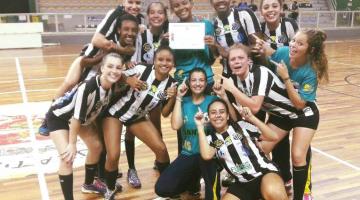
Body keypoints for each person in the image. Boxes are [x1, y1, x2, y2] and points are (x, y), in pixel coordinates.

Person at [38, 0, 144, 136]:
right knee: (71, 86)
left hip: (107, 63)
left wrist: (127, 57)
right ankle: (49, 119)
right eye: (130, 2)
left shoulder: (138, 20)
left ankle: (89, 123)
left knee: (99, 94)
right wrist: (122, 50)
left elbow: (132, 44)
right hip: (93, 58)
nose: (134, 6)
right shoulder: (115, 14)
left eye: (138, 3)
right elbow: (97, 40)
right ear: (123, 2)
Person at [101, 46, 177, 200]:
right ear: (154, 61)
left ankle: (167, 189)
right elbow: (116, 75)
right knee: (113, 154)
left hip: (137, 118)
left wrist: (174, 97)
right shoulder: (142, 69)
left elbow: (165, 113)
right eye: (160, 59)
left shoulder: (172, 84)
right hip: (115, 113)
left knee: (161, 149)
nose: (164, 63)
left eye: (168, 60)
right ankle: (109, 188)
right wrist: (129, 79)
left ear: (173, 64)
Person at [261, 29, 329, 200]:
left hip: (303, 114)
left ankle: (301, 196)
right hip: (283, 112)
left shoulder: (310, 71)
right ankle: (267, 185)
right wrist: (262, 47)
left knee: (298, 156)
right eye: (293, 40)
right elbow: (269, 52)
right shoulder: (283, 52)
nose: (293, 45)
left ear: (310, 49)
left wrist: (285, 78)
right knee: (262, 148)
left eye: (300, 43)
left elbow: (299, 104)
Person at [47, 53, 125, 200]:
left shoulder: (110, 87)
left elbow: (88, 115)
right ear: (102, 68)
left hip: (81, 119)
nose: (114, 70)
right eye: (110, 66)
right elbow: (75, 118)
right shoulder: (88, 87)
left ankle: (88, 184)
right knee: (67, 158)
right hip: (60, 117)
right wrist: (72, 143)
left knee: (96, 146)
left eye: (118, 67)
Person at [194, 99, 288, 200]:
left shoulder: (242, 126)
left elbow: (273, 137)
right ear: (208, 117)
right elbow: (206, 155)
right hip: (242, 183)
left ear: (228, 116)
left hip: (264, 173)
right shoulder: (211, 139)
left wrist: (252, 118)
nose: (218, 115)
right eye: (213, 113)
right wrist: (200, 126)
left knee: (272, 191)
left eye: (222, 112)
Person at [123, 2, 169, 189]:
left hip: (157, 86)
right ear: (148, 15)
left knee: (157, 126)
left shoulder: (170, 35)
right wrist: (129, 68)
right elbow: (130, 55)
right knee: (130, 128)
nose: (156, 15)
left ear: (165, 16)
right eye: (152, 12)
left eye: (160, 12)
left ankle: (159, 160)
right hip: (139, 84)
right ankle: (131, 168)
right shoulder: (141, 33)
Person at [155, 68, 220, 199]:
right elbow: (175, 125)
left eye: (201, 80)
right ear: (189, 83)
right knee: (162, 188)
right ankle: (193, 179)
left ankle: (202, 178)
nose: (197, 83)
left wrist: (223, 95)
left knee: (212, 196)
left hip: (209, 155)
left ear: (206, 83)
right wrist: (178, 97)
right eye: (194, 80)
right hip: (188, 154)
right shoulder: (184, 102)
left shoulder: (213, 100)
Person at [259, 0, 302, 196]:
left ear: (281, 8)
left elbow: (300, 53)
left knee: (301, 141)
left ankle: (302, 182)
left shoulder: (291, 26)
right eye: (266, 7)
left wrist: (294, 79)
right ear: (261, 11)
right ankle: (283, 175)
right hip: (270, 92)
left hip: (292, 88)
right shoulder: (258, 30)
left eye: (274, 6)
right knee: (279, 138)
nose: (270, 10)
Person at [210, 0, 260, 77]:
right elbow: (216, 54)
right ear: (211, 2)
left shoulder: (245, 14)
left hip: (252, 72)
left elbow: (257, 45)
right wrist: (214, 46)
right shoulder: (212, 24)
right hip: (229, 75)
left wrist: (229, 55)